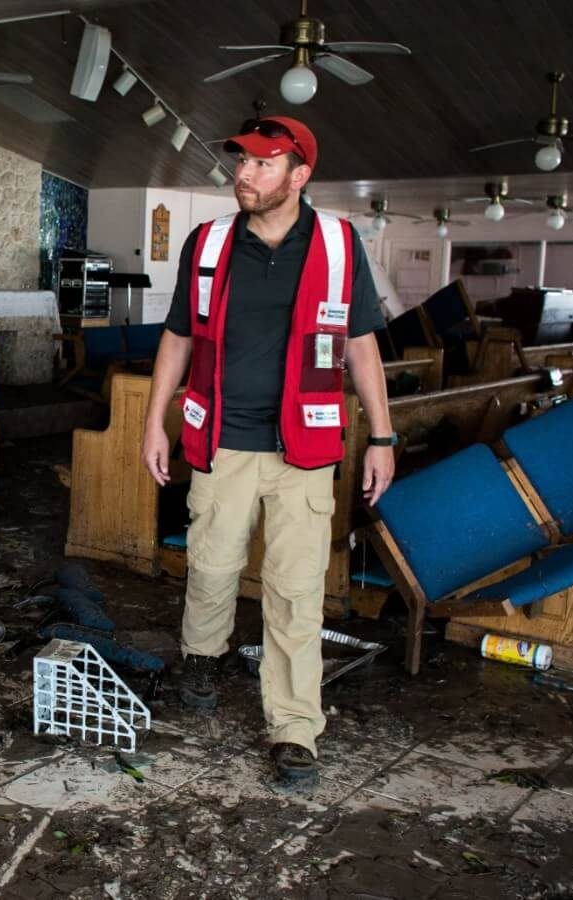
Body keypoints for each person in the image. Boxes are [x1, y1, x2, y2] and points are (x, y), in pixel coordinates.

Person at [141, 116, 396, 786]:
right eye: (242, 163)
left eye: (262, 164)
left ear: (299, 174)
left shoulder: (341, 247)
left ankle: (294, 728)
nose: (244, 175)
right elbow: (178, 336)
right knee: (211, 567)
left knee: (295, 592)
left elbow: (362, 343)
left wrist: (383, 434)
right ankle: (200, 658)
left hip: (304, 451)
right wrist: (151, 423)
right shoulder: (209, 243)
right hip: (222, 440)